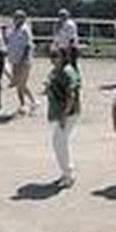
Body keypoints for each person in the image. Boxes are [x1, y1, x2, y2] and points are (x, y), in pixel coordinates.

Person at [45, 47, 82, 187]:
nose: (52, 58)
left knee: (59, 142)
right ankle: (66, 173)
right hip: (60, 112)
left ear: (64, 57)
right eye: (51, 55)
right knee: (60, 142)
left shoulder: (68, 72)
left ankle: (69, 174)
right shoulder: (56, 71)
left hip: (68, 114)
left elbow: (71, 95)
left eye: (56, 56)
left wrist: (64, 115)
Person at [6, 10, 38, 115]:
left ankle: (23, 104)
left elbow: (28, 46)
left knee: (20, 83)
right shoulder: (13, 29)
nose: (15, 19)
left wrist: (23, 59)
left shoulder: (25, 30)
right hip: (14, 60)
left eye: (18, 17)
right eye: (15, 17)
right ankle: (32, 101)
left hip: (23, 61)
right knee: (20, 83)